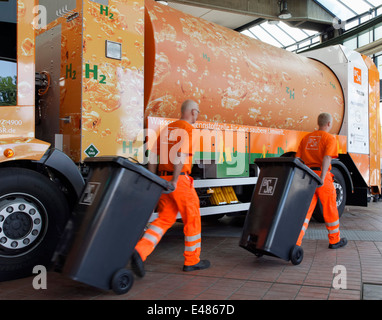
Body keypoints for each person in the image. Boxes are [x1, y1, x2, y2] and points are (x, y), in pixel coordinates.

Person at [131, 99, 210, 277]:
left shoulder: (167, 129)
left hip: (162, 180)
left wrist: (154, 179)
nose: (197, 115)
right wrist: (175, 180)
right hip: (179, 181)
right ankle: (192, 261)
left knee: (165, 219)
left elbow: (152, 155)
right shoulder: (189, 129)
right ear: (193, 112)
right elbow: (181, 154)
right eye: (197, 112)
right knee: (193, 219)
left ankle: (140, 251)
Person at [296, 112, 347, 249]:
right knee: (330, 209)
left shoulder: (306, 138)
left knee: (305, 211)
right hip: (321, 177)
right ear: (329, 123)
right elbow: (327, 158)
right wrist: (323, 177)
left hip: (307, 176)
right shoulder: (329, 138)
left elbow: (298, 160)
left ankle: (296, 241)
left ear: (319, 123)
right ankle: (334, 240)